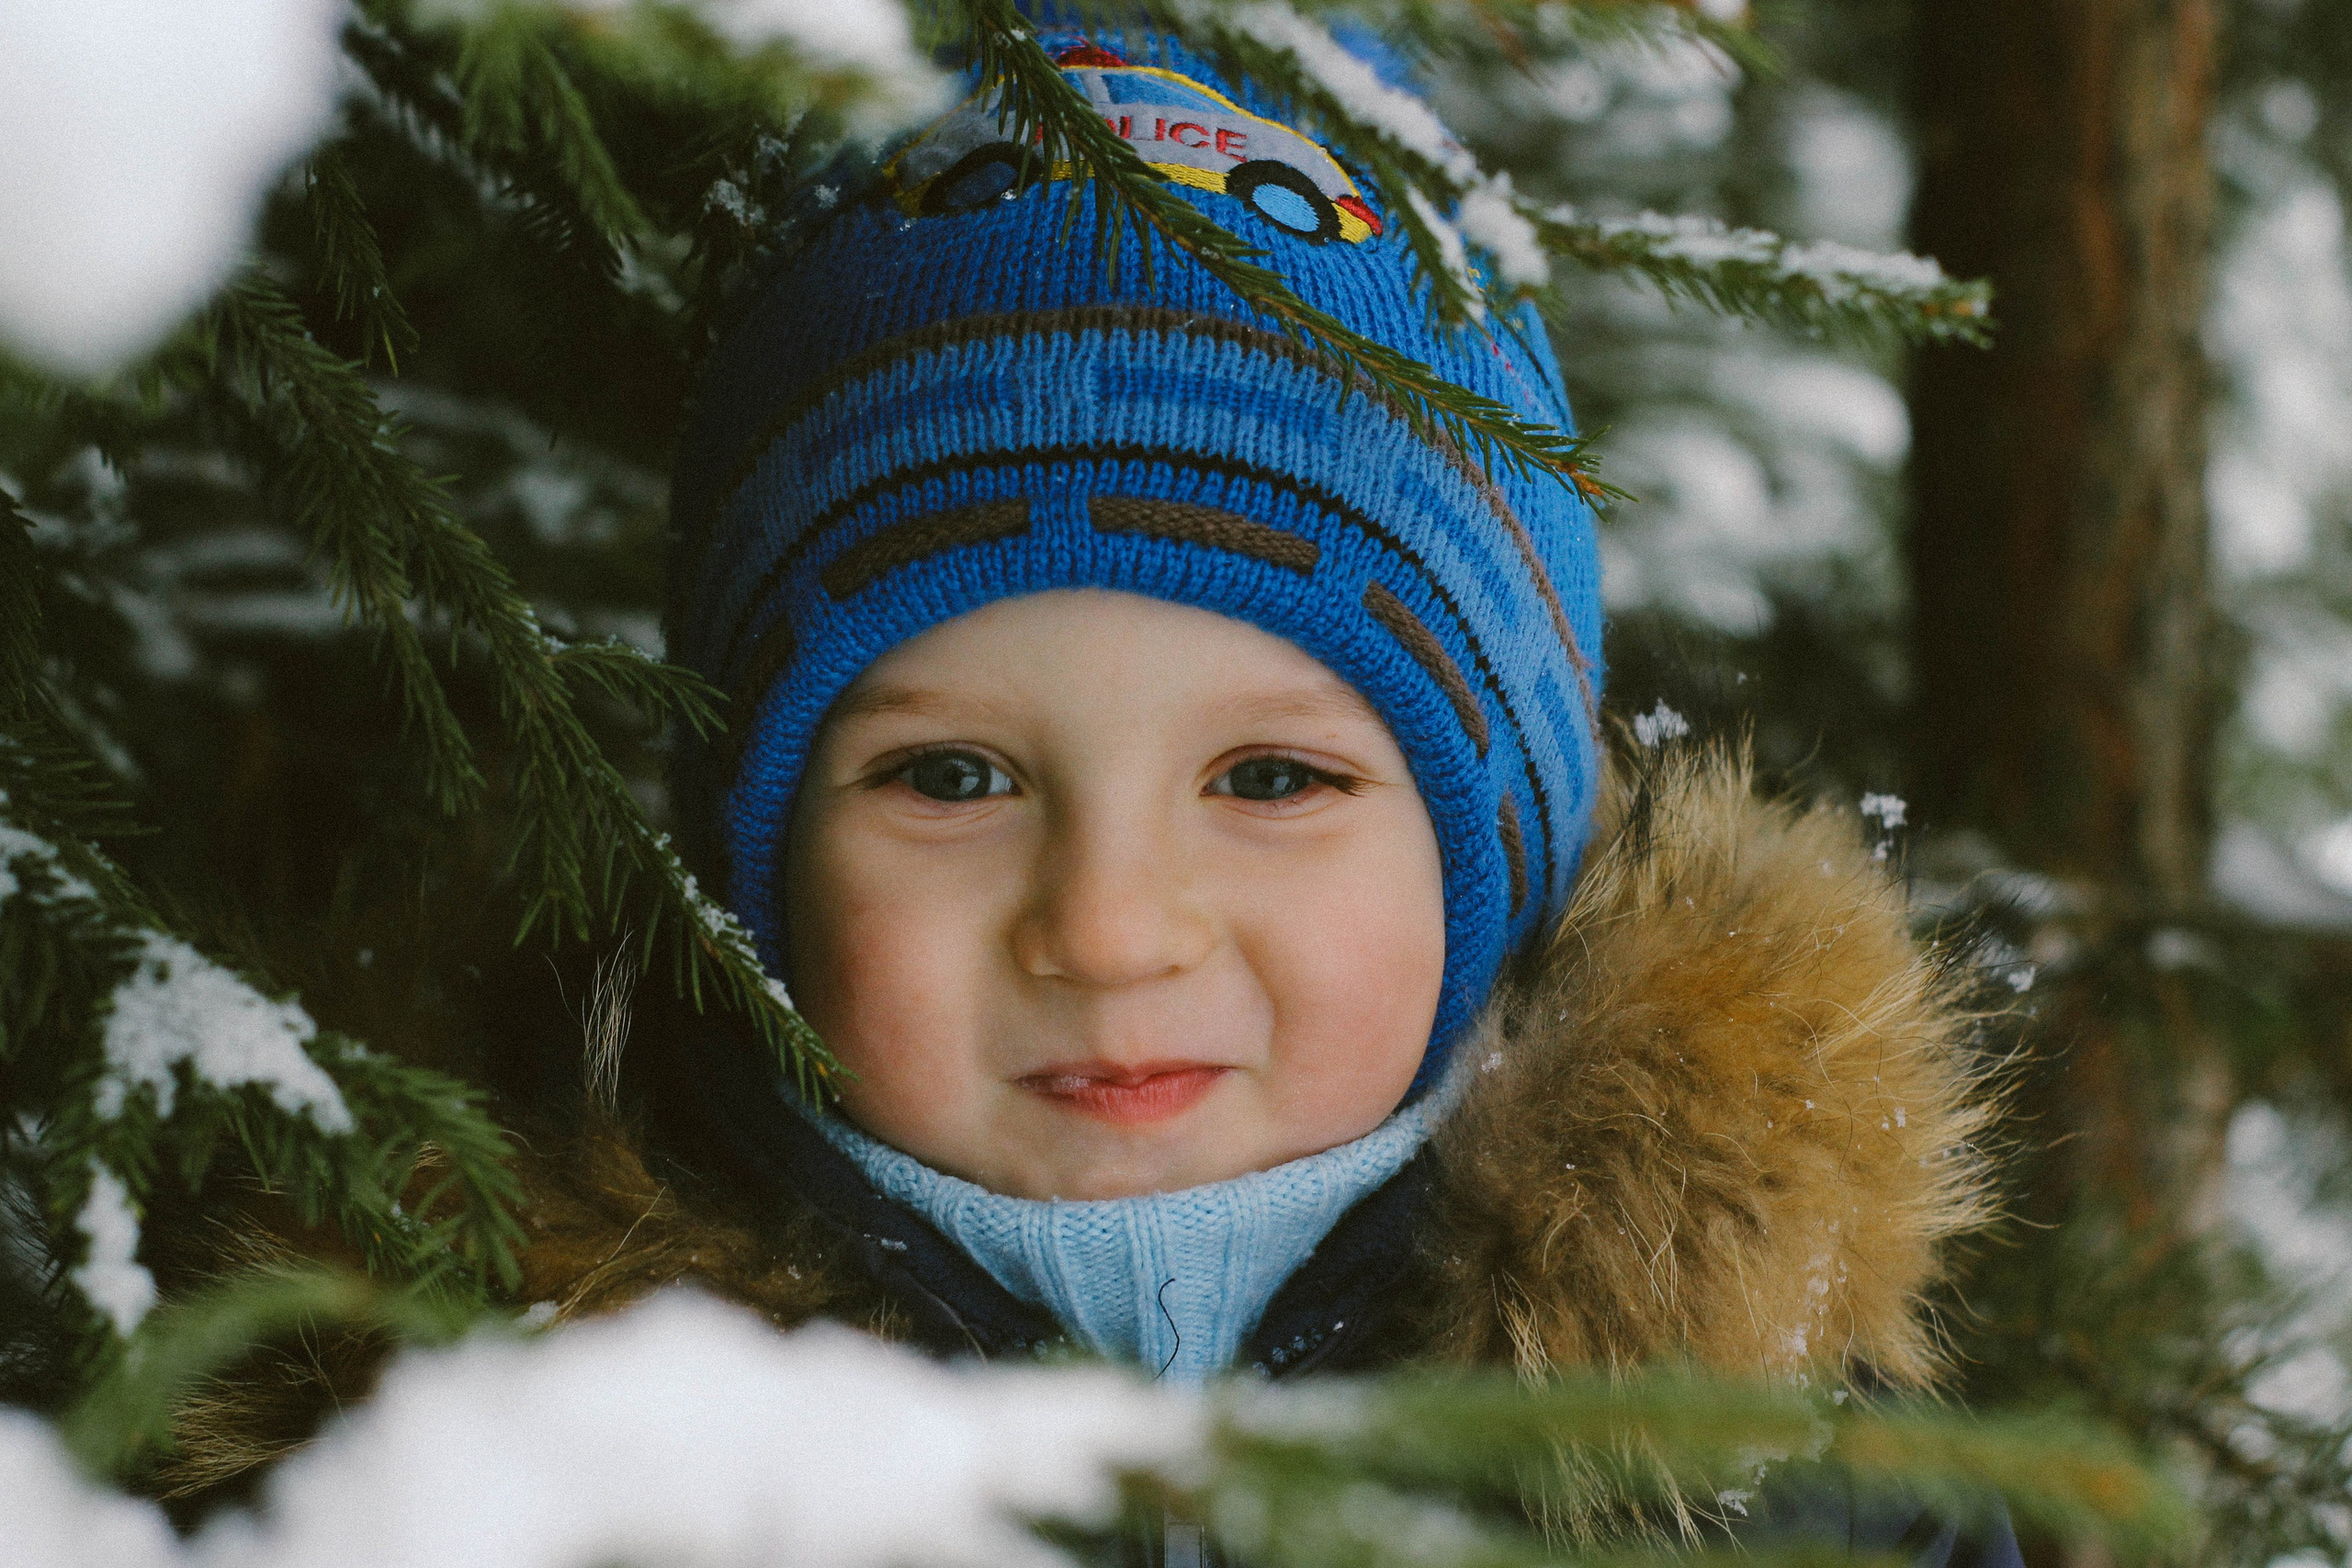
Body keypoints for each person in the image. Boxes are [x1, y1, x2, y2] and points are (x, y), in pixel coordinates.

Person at [165, 18, 2019, 1564]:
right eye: (950, 774)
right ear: (759, 858)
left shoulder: (1758, 1467)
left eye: (1272, 774)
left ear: (1497, 847)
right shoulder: (519, 1463)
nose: (1110, 925)